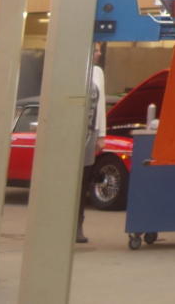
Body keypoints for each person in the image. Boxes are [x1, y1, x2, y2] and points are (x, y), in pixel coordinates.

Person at [76, 49, 106, 244]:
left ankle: (77, 224)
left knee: (83, 181)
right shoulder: (72, 69)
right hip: (70, 134)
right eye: (96, 50)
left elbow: (101, 104)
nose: (99, 53)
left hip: (89, 133)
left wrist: (101, 134)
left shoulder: (97, 72)